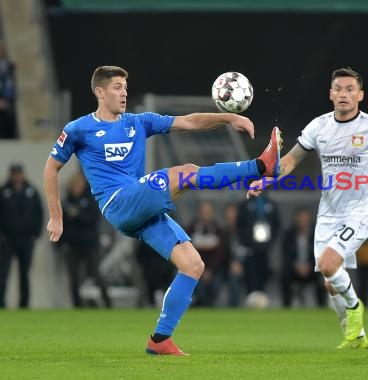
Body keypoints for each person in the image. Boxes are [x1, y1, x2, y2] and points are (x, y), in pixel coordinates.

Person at [43, 66, 281, 355]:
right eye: (117, 87)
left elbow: (191, 122)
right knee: (186, 172)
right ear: (100, 92)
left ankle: (160, 340)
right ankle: (258, 166)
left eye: (125, 88)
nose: (124, 93)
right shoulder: (78, 129)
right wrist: (57, 216)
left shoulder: (139, 122)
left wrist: (229, 117)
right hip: (117, 201)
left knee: (193, 265)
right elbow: (51, 167)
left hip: (139, 207)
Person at [247, 67, 368, 349]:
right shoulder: (318, 127)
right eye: (339, 89)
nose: (344, 94)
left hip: (360, 212)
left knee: (328, 264)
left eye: (350, 89)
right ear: (331, 94)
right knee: (329, 281)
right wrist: (265, 181)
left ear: (360, 95)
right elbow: (289, 161)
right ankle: (357, 336)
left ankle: (355, 306)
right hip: (328, 214)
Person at [59, 171, 112, 308]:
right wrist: (60, 243)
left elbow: (93, 218)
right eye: (74, 185)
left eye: (79, 185)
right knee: (74, 276)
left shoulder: (91, 200)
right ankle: (77, 305)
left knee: (95, 273)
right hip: (73, 245)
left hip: (90, 243)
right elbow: (62, 223)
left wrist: (77, 215)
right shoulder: (66, 202)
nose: (76, 188)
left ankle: (108, 303)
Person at [0, 163, 44, 308]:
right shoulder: (3, 191)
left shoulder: (31, 191)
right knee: (3, 273)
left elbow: (39, 214)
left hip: (26, 239)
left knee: (24, 273)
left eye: (18, 173)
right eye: (14, 173)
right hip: (7, 239)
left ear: (22, 174)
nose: (16, 176)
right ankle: (1, 303)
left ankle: (24, 304)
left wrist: (36, 234)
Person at [280, 206, 326, 307]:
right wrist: (296, 266)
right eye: (300, 217)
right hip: (294, 269)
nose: (302, 221)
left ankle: (322, 307)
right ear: (296, 219)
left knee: (322, 277)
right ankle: (286, 307)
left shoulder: (317, 234)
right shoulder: (289, 234)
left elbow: (321, 254)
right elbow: (286, 255)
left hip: (312, 268)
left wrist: (310, 265)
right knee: (285, 276)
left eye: (305, 218)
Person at [236, 193, 280, 296]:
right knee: (251, 275)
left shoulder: (271, 204)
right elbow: (240, 226)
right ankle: (251, 298)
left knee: (265, 273)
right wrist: (246, 241)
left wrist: (270, 241)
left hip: (266, 248)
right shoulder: (245, 204)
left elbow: (276, 224)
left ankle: (262, 298)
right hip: (249, 249)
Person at [184, 200, 226, 307]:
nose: (205, 213)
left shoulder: (219, 230)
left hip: (214, 269)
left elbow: (220, 253)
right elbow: (186, 250)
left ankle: (208, 306)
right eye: (203, 210)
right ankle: (202, 305)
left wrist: (210, 269)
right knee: (198, 285)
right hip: (195, 268)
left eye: (208, 211)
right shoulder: (191, 229)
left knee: (215, 285)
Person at [0, 40, 17, 139]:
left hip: (6, 99)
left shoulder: (7, 65)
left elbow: (10, 84)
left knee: (9, 118)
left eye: (2, 48)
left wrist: (7, 99)